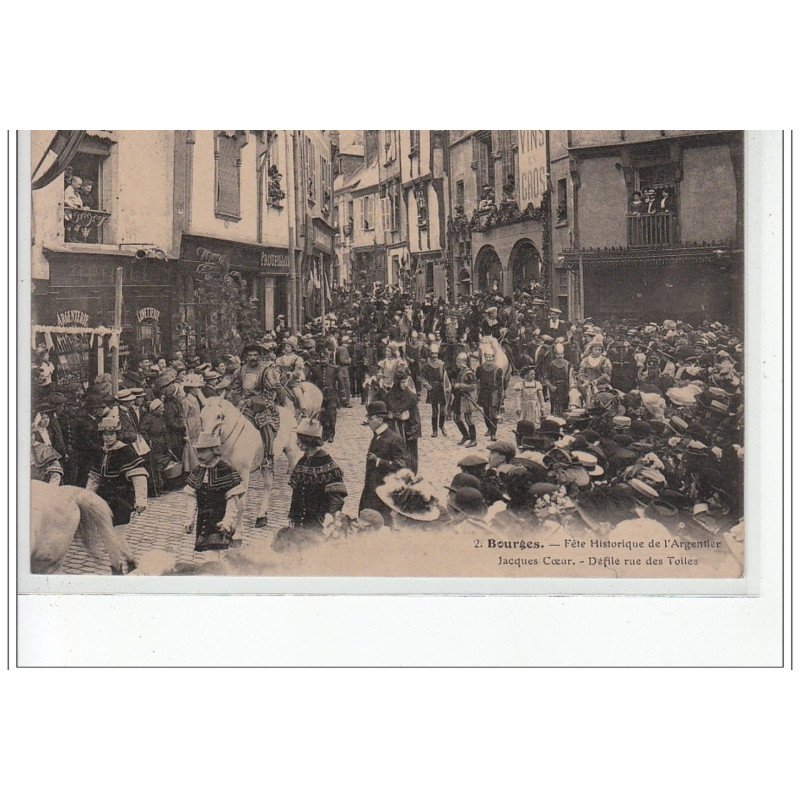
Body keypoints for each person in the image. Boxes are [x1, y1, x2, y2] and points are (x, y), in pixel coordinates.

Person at [86, 410, 148, 538]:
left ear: (117, 435)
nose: (108, 437)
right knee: (107, 531)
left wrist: (141, 500)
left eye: (111, 434)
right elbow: (94, 478)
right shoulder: (101, 452)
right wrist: (87, 496)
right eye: (105, 434)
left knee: (118, 533)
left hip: (122, 498)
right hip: (104, 497)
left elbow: (139, 477)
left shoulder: (126, 451)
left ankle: (117, 553)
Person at [183, 431, 245, 552]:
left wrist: (227, 522)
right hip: (203, 523)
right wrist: (189, 519)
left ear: (214, 451)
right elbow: (192, 498)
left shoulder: (226, 470)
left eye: (203, 451)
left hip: (220, 522)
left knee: (218, 553)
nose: (199, 455)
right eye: (198, 451)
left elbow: (233, 502)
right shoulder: (198, 471)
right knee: (208, 553)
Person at [227, 343, 281, 470]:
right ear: (246, 356)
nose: (252, 358)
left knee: (266, 424)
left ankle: (268, 457)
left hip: (262, 405)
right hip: (243, 404)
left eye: (255, 355)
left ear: (259, 356)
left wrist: (253, 402)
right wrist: (240, 400)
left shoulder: (266, 371)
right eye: (250, 355)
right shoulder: (241, 370)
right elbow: (236, 389)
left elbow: (270, 394)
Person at [286, 419, 345, 530]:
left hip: (318, 526)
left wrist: (328, 524)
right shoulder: (302, 462)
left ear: (309, 440)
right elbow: (296, 494)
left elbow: (336, 500)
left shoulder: (328, 464)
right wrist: (293, 517)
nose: (296, 442)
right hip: (300, 525)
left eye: (300, 439)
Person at [359, 401, 407, 523]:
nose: (368, 421)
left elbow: (401, 465)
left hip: (384, 495)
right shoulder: (376, 436)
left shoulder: (394, 439)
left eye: (370, 418)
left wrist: (379, 461)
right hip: (371, 491)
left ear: (380, 420)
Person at [385, 364, 421, 472]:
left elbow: (415, 416)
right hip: (393, 430)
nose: (405, 384)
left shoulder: (411, 397)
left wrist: (413, 430)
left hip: (407, 430)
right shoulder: (388, 396)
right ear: (397, 382)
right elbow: (385, 413)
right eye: (402, 382)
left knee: (409, 455)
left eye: (406, 381)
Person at [420, 344, 451, 438]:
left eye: (436, 353)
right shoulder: (426, 365)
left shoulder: (442, 364)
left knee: (443, 411)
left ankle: (442, 426)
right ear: (429, 354)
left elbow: (446, 377)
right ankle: (434, 429)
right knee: (434, 411)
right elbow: (421, 378)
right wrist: (427, 386)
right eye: (432, 353)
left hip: (441, 389)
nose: (434, 356)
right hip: (432, 389)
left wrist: (447, 387)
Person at [451, 351, 478, 447]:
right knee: (456, 417)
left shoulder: (469, 373)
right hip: (459, 398)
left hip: (466, 399)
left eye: (457, 362)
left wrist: (460, 385)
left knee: (468, 419)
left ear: (462, 362)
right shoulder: (460, 371)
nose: (456, 364)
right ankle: (465, 435)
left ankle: (473, 439)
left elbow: (473, 386)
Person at [476, 350, 503, 441]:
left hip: (494, 393)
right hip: (484, 393)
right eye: (487, 357)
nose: (489, 359)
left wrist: (501, 397)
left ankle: (493, 433)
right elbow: (477, 379)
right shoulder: (480, 368)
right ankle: (489, 428)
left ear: (493, 358)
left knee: (493, 413)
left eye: (490, 357)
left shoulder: (498, 369)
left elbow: (500, 385)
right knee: (486, 412)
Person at [543, 342, 575, 415]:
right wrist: (551, 386)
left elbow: (571, 377)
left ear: (563, 354)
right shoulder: (551, 365)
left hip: (565, 388)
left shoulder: (568, 364)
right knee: (555, 405)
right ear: (555, 355)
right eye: (558, 354)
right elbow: (546, 378)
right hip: (555, 389)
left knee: (566, 404)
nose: (559, 356)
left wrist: (571, 387)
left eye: (561, 354)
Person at [335, 334, 352, 408]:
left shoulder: (339, 348)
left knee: (341, 387)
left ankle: (342, 402)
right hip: (343, 370)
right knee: (346, 386)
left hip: (340, 370)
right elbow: (343, 360)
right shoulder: (344, 349)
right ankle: (346, 402)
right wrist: (349, 360)